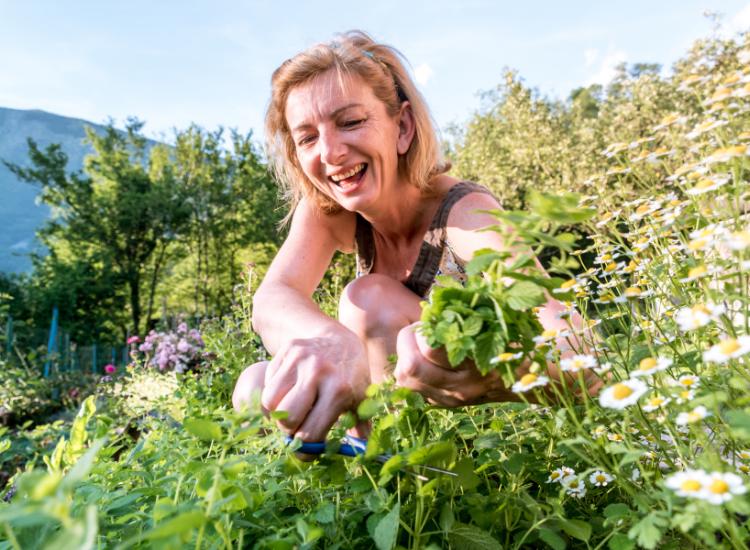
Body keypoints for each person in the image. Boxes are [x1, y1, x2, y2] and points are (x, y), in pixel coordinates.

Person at [232, 30, 583, 443]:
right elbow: (272, 299)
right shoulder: (328, 208)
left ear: (402, 127)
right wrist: (333, 342)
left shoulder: (465, 212)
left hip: (482, 423)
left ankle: (406, 476)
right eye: (307, 137)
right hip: (396, 403)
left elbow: (571, 341)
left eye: (351, 122)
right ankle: (361, 475)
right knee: (255, 387)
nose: (329, 152)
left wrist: (495, 377)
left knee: (368, 304)